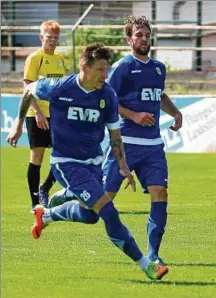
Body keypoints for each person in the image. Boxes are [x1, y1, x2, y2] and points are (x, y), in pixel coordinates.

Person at [6, 43, 168, 280]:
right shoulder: (60, 87)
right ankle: (147, 265)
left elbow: (115, 135)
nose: (105, 75)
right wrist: (19, 124)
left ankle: (47, 215)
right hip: (66, 163)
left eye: (107, 69)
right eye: (101, 70)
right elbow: (29, 90)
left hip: (93, 164)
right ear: (85, 67)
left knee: (90, 215)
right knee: (109, 212)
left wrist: (123, 166)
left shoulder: (108, 96)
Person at [102, 15, 182, 266]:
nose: (144, 39)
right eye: (139, 35)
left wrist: (176, 112)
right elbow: (107, 101)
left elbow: (159, 95)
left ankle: (153, 253)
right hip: (124, 142)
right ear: (129, 39)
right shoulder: (122, 67)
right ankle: (51, 211)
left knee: (160, 193)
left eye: (147, 35)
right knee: (101, 201)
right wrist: (134, 115)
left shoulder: (159, 68)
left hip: (153, 146)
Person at [23, 20, 67, 209]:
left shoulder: (60, 59)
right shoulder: (35, 58)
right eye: (49, 37)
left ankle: (45, 188)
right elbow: (27, 88)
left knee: (63, 155)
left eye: (56, 38)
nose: (53, 41)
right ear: (42, 37)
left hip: (56, 116)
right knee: (37, 158)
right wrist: (39, 113)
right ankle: (35, 203)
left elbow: (62, 88)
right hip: (36, 115)